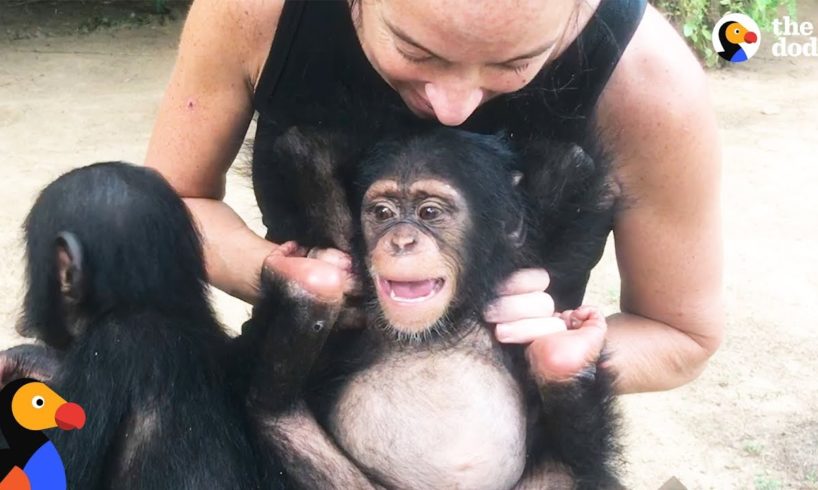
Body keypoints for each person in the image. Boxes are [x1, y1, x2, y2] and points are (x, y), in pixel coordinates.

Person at [144, 0, 724, 394]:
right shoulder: (257, 13)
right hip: (292, 388)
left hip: (497, 427)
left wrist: (557, 355)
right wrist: (280, 277)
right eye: (416, 51)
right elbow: (169, 202)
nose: (455, 108)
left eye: (517, 62)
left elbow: (683, 335)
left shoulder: (648, 82)